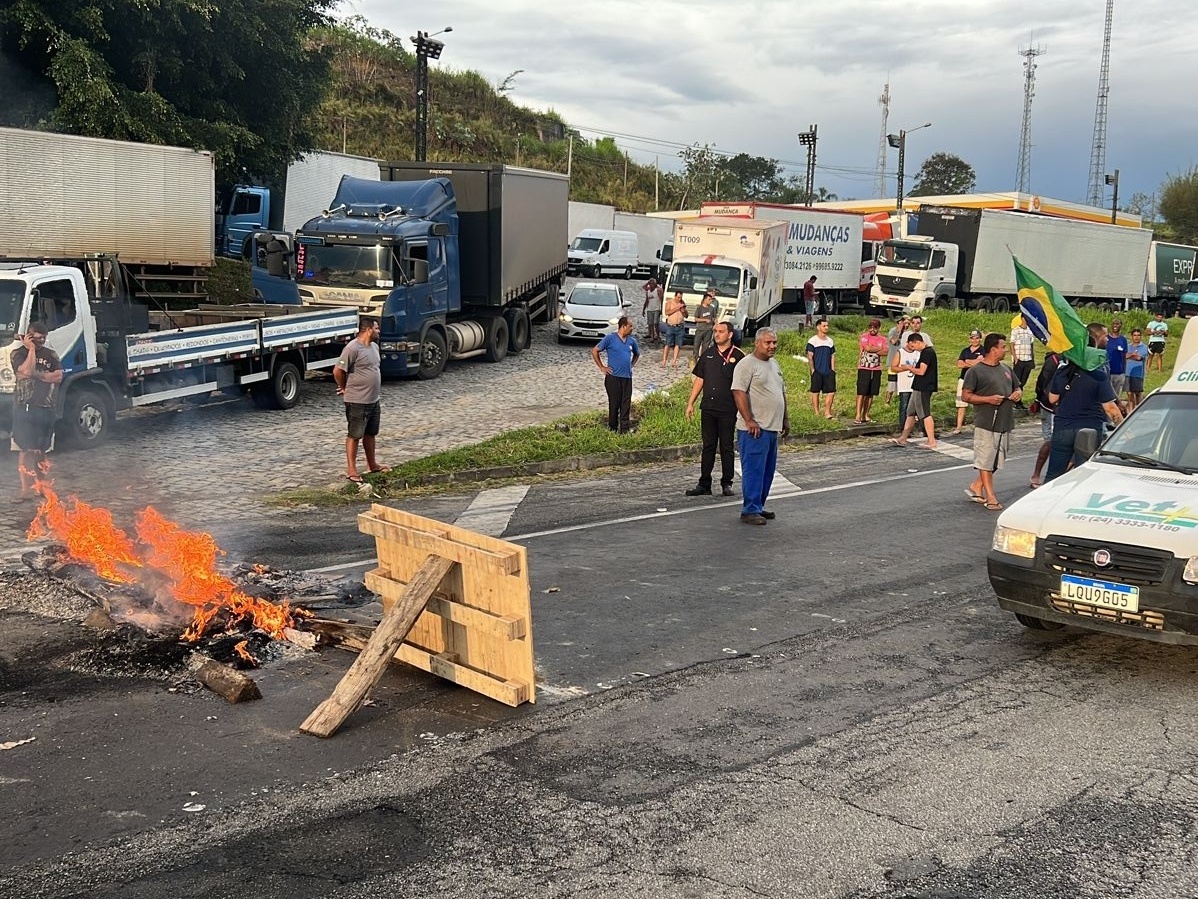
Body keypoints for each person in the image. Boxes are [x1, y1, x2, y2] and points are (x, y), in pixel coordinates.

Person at [1045, 323, 1124, 482]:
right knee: (1082, 475)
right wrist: (1124, 429)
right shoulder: (1099, 375)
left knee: (1053, 475)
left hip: (1063, 428)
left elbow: (1052, 399)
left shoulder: (1063, 371)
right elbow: (1110, 408)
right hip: (1088, 430)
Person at [731, 328, 789, 525]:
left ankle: (759, 505)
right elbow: (739, 392)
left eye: (774, 342)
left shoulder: (774, 364)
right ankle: (750, 509)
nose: (772, 346)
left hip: (772, 426)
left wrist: (785, 419)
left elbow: (781, 393)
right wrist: (749, 420)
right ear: (757, 343)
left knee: (767, 470)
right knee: (754, 469)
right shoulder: (746, 365)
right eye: (768, 343)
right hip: (755, 428)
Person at [961, 333, 1022, 511]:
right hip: (986, 423)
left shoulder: (1006, 368)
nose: (1005, 350)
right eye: (1003, 347)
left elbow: (1017, 386)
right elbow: (966, 396)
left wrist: (1018, 392)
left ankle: (976, 485)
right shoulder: (975, 371)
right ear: (993, 349)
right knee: (986, 460)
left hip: (1005, 422)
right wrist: (988, 399)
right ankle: (991, 497)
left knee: (996, 460)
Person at [685, 321, 745, 497]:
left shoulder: (739, 357)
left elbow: (744, 386)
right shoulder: (708, 354)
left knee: (726, 446)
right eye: (715, 331)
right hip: (709, 408)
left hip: (728, 409)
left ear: (730, 334)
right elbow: (700, 380)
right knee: (708, 446)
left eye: (721, 331)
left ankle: (727, 483)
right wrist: (690, 403)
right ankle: (704, 483)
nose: (717, 334)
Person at [10, 322, 63, 502]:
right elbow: (24, 371)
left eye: (43, 338)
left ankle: (41, 487)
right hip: (23, 408)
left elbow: (58, 376)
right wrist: (31, 350)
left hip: (45, 408)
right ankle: (25, 490)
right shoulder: (18, 353)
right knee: (24, 451)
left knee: (41, 451)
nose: (41, 341)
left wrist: (36, 375)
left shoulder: (51, 354)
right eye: (37, 338)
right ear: (29, 336)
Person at [334, 317, 387, 484]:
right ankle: (351, 469)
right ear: (369, 329)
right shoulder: (352, 348)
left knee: (370, 433)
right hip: (357, 400)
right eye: (377, 328)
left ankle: (372, 464)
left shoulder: (374, 347)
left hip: (373, 400)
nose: (379, 331)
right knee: (355, 435)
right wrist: (344, 387)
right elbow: (338, 370)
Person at [592, 315, 640, 433]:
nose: (632, 328)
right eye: (630, 326)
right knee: (614, 404)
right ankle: (612, 428)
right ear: (623, 326)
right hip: (613, 377)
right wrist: (602, 367)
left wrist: (631, 365)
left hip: (627, 377)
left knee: (626, 404)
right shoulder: (610, 338)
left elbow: (636, 354)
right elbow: (595, 350)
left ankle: (624, 429)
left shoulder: (631, 341)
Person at [891, 332, 938, 448]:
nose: (914, 349)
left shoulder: (927, 353)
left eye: (913, 346)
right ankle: (903, 438)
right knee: (910, 412)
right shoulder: (925, 352)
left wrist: (908, 368)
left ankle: (931, 440)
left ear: (917, 342)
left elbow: (921, 371)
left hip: (924, 387)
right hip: (917, 387)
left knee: (925, 413)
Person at [1029, 350, 1063, 488]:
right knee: (1050, 441)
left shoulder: (1074, 359)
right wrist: (1040, 400)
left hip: (1062, 407)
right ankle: (1036, 474)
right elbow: (1042, 383)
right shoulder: (1055, 360)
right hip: (1050, 407)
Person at [854, 317, 887, 423]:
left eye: (875, 327)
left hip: (876, 368)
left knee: (871, 393)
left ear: (879, 328)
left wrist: (873, 348)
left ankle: (865, 414)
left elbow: (886, 351)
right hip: (864, 367)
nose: (873, 329)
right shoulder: (864, 337)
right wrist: (878, 349)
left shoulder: (882, 339)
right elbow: (867, 348)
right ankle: (858, 415)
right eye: (871, 327)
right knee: (861, 392)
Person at [952, 330, 985, 435]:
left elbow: (981, 362)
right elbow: (959, 364)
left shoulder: (984, 350)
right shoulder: (965, 350)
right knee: (961, 403)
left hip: (978, 379)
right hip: (964, 378)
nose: (974, 340)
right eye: (972, 337)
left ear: (980, 339)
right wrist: (973, 362)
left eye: (976, 338)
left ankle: (981, 425)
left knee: (979, 402)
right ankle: (958, 427)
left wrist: (967, 361)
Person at [806, 318, 836, 418]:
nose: (826, 328)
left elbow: (832, 356)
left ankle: (827, 412)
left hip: (828, 370)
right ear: (818, 327)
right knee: (815, 392)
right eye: (824, 326)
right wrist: (813, 370)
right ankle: (817, 413)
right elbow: (810, 356)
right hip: (817, 370)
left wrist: (832, 369)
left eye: (827, 326)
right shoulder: (812, 341)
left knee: (831, 391)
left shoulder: (830, 341)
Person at [1008, 314, 1036, 409]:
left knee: (1023, 382)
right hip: (1019, 359)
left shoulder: (1030, 331)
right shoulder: (1016, 330)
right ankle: (1015, 401)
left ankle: (1018, 400)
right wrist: (1015, 358)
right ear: (1022, 318)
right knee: (1017, 381)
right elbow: (1012, 344)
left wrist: (1032, 358)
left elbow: (1031, 345)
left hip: (1027, 359)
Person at [885, 315, 910, 405]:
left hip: (903, 362)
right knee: (892, 383)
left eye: (908, 323)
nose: (906, 325)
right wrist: (899, 331)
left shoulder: (908, 333)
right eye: (905, 323)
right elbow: (893, 341)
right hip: (892, 361)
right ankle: (887, 402)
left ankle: (901, 401)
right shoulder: (893, 331)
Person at [1105, 318, 1129, 406]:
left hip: (1119, 372)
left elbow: (1124, 356)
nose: (1115, 326)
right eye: (1114, 324)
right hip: (1108, 371)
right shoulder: (1106, 338)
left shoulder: (1123, 340)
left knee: (1117, 397)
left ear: (1121, 326)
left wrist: (1124, 372)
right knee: (1108, 397)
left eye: (1118, 324)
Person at [661, 291, 686, 371]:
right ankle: (664, 360)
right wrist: (677, 308)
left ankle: (674, 361)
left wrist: (683, 311)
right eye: (678, 297)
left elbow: (686, 315)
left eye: (680, 297)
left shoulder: (682, 303)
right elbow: (667, 312)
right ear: (675, 296)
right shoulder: (669, 302)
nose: (679, 299)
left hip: (680, 326)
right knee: (668, 343)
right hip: (671, 326)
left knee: (678, 344)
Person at [692, 288, 720, 362]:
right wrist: (704, 320)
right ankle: (695, 359)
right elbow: (696, 319)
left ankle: (703, 360)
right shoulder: (699, 308)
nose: (710, 301)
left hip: (709, 329)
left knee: (706, 346)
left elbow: (715, 318)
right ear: (705, 299)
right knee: (696, 345)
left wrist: (716, 324)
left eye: (711, 300)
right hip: (700, 329)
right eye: (709, 299)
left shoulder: (711, 309)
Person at [1125, 327, 1148, 410]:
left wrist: (1129, 355)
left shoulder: (1144, 347)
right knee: (1129, 394)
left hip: (1138, 374)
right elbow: (1124, 356)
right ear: (1132, 336)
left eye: (1138, 335)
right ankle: (1131, 412)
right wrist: (1132, 355)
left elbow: (1139, 358)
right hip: (1127, 372)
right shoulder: (1127, 346)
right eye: (1135, 335)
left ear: (1141, 336)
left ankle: (1139, 410)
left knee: (1138, 394)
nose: (1136, 337)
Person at [641, 277, 663, 343]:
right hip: (649, 309)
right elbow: (646, 301)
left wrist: (661, 308)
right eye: (650, 283)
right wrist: (643, 309)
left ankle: (658, 335)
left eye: (652, 283)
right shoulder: (648, 291)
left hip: (656, 309)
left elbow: (661, 299)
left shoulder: (658, 290)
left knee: (656, 323)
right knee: (650, 324)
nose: (651, 285)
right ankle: (652, 336)